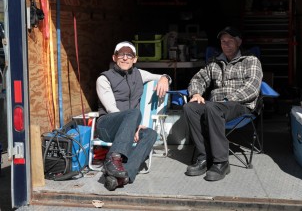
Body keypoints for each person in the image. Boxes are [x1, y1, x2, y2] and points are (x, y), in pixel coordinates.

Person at [183, 26, 263, 181]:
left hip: (241, 105)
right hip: (216, 107)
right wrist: (196, 93)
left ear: (239, 42)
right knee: (190, 107)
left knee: (213, 107)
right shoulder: (215, 63)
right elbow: (198, 79)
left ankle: (221, 162)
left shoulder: (250, 60)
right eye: (223, 41)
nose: (226, 44)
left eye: (230, 41)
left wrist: (227, 99)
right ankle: (204, 157)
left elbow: (252, 88)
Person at [96, 41, 171, 190]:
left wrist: (165, 78)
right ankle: (113, 159)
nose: (125, 58)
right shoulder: (104, 78)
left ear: (134, 59)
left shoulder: (140, 74)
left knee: (150, 134)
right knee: (134, 112)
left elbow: (161, 76)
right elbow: (112, 109)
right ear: (114, 57)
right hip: (107, 126)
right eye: (121, 54)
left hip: (129, 126)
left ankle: (122, 178)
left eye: (129, 55)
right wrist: (133, 127)